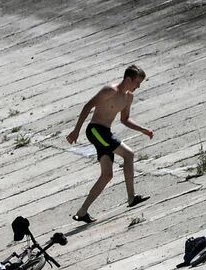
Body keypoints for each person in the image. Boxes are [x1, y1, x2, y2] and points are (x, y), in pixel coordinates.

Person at [65, 64, 155, 224]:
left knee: (107, 175)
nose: (138, 86)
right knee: (129, 154)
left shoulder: (128, 97)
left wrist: (143, 130)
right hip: (95, 130)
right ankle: (131, 198)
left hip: (105, 133)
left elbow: (125, 119)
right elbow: (88, 106)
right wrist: (76, 131)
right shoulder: (109, 90)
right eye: (137, 83)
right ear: (128, 79)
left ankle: (82, 212)